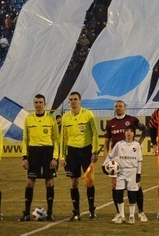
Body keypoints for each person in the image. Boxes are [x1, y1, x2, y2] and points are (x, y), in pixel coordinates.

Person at [104, 100, 148, 222]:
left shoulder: (132, 120)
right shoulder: (110, 123)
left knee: (136, 185)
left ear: (125, 108)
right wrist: (106, 158)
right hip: (116, 160)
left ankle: (141, 212)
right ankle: (119, 213)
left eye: (120, 106)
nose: (118, 108)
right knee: (115, 186)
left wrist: (138, 143)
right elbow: (107, 142)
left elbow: (145, 129)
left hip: (130, 159)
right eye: (116, 106)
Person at [19, 94, 59, 222]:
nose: (38, 105)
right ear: (34, 104)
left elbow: (56, 139)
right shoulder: (29, 119)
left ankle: (50, 213)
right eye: (36, 102)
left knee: (49, 182)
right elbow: (25, 139)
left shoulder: (51, 119)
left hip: (48, 152)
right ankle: (26, 213)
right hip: (33, 152)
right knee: (30, 182)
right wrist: (24, 157)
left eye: (40, 102)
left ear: (45, 104)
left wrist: (55, 158)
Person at [60, 91, 99, 221]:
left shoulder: (88, 114)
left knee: (89, 181)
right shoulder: (65, 117)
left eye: (75, 99)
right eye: (71, 99)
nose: (73, 101)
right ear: (69, 101)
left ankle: (92, 210)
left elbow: (95, 133)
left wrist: (94, 151)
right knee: (73, 182)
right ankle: (76, 212)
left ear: (80, 101)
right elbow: (63, 138)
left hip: (86, 151)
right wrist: (62, 156)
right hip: (72, 153)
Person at [103, 126, 142, 224]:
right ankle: (122, 216)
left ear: (134, 134)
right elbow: (110, 155)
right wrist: (104, 165)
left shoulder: (137, 145)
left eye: (131, 131)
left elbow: (139, 160)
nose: (129, 133)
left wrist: (138, 173)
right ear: (124, 133)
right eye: (127, 131)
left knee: (132, 194)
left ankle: (132, 216)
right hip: (121, 171)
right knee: (119, 193)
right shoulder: (119, 144)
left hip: (132, 171)